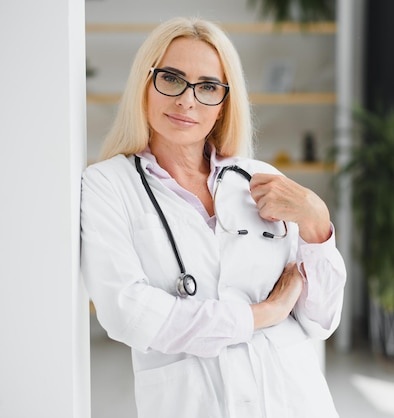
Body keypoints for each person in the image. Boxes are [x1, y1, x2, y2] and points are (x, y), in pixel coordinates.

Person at [80, 16, 347, 418]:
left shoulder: (261, 180)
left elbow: (321, 319)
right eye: (171, 79)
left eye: (207, 87)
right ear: (145, 84)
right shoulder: (107, 185)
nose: (187, 100)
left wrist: (317, 224)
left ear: (223, 104)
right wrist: (262, 314)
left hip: (292, 398)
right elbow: (127, 312)